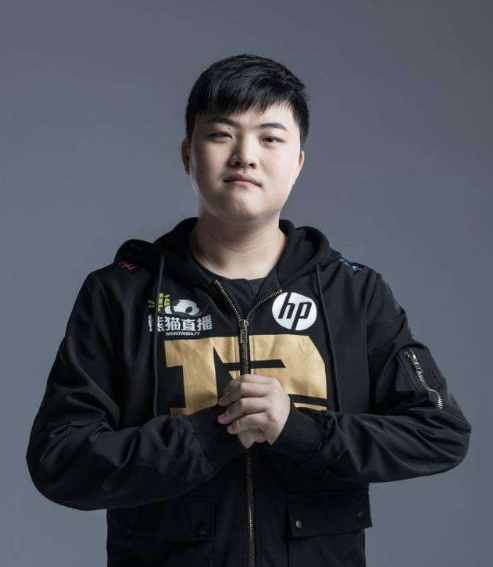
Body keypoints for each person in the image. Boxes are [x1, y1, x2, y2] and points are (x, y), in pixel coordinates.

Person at [26, 53, 472, 567]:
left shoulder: (355, 294)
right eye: (222, 134)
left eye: (270, 138)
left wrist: (299, 430)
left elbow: (439, 432)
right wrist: (210, 434)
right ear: (187, 153)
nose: (245, 156)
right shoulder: (120, 294)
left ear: (298, 161)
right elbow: (59, 459)